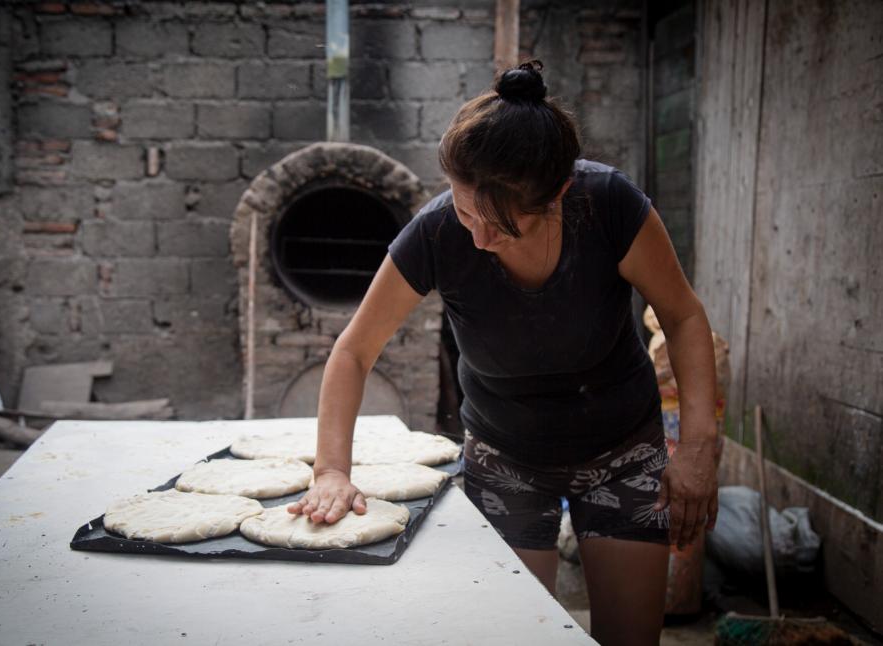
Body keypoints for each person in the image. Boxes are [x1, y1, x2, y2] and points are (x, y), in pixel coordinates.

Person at [288, 60, 719, 646]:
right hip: (505, 455)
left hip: (622, 445)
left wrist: (697, 448)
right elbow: (354, 351)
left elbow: (684, 316)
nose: (480, 239)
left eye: (503, 226)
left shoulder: (610, 205)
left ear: (561, 193)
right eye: (467, 212)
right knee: (521, 633)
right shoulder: (437, 231)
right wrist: (332, 471)